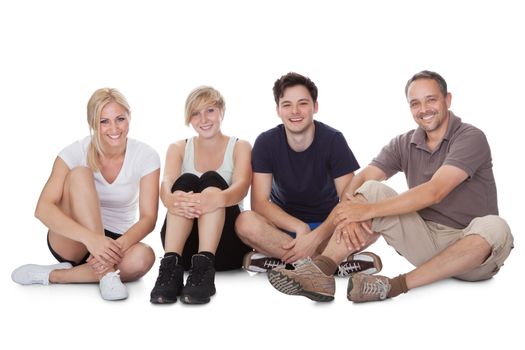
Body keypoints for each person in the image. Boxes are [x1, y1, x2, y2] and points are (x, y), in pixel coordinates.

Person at [268, 70, 514, 302]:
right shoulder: (404, 142)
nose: (424, 109)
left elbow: (435, 191)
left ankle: (391, 286)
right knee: (370, 190)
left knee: (496, 226)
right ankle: (321, 272)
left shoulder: (470, 137)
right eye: (415, 103)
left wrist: (368, 211)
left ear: (447, 100)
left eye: (431, 100)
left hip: (474, 252)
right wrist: (351, 207)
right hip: (425, 242)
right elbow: (364, 177)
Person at [235, 72, 382, 296]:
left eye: (302, 104)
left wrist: (315, 237)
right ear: (278, 110)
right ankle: (332, 264)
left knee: (374, 220)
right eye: (287, 105)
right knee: (245, 222)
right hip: (284, 230)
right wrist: (300, 229)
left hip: (330, 228)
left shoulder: (333, 140)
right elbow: (260, 203)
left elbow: (348, 199)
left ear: (315, 106)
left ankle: (285, 263)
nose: (295, 111)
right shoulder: (266, 142)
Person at [11, 88, 160, 301]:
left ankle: (56, 275)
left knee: (144, 256)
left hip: (117, 242)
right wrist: (92, 240)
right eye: (104, 121)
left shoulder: (146, 155)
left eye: (120, 119)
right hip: (73, 240)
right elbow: (42, 209)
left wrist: (113, 248)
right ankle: (107, 274)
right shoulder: (74, 152)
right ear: (93, 124)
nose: (114, 128)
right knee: (80, 174)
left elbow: (149, 218)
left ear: (129, 118)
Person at [150, 86, 252, 305]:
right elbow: (166, 184)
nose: (203, 119)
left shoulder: (240, 146)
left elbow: (243, 186)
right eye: (196, 113)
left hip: (225, 249)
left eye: (210, 111)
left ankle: (204, 268)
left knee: (212, 179)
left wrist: (217, 199)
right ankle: (169, 269)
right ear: (189, 118)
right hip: (184, 248)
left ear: (221, 111)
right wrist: (172, 200)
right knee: (185, 181)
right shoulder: (178, 147)